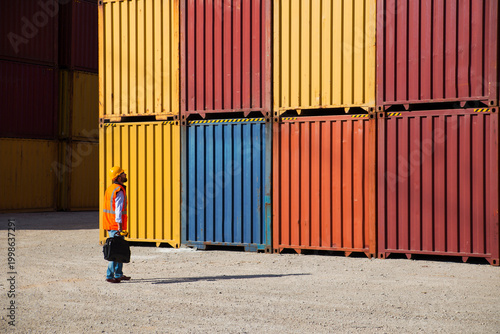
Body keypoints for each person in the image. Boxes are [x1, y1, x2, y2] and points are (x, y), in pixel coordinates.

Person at [103, 166, 131, 283]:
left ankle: (118, 274)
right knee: (114, 251)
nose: (125, 175)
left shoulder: (111, 188)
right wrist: (119, 226)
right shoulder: (119, 191)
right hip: (116, 225)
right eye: (122, 173)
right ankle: (110, 276)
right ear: (118, 177)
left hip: (111, 224)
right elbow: (118, 210)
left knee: (118, 249)